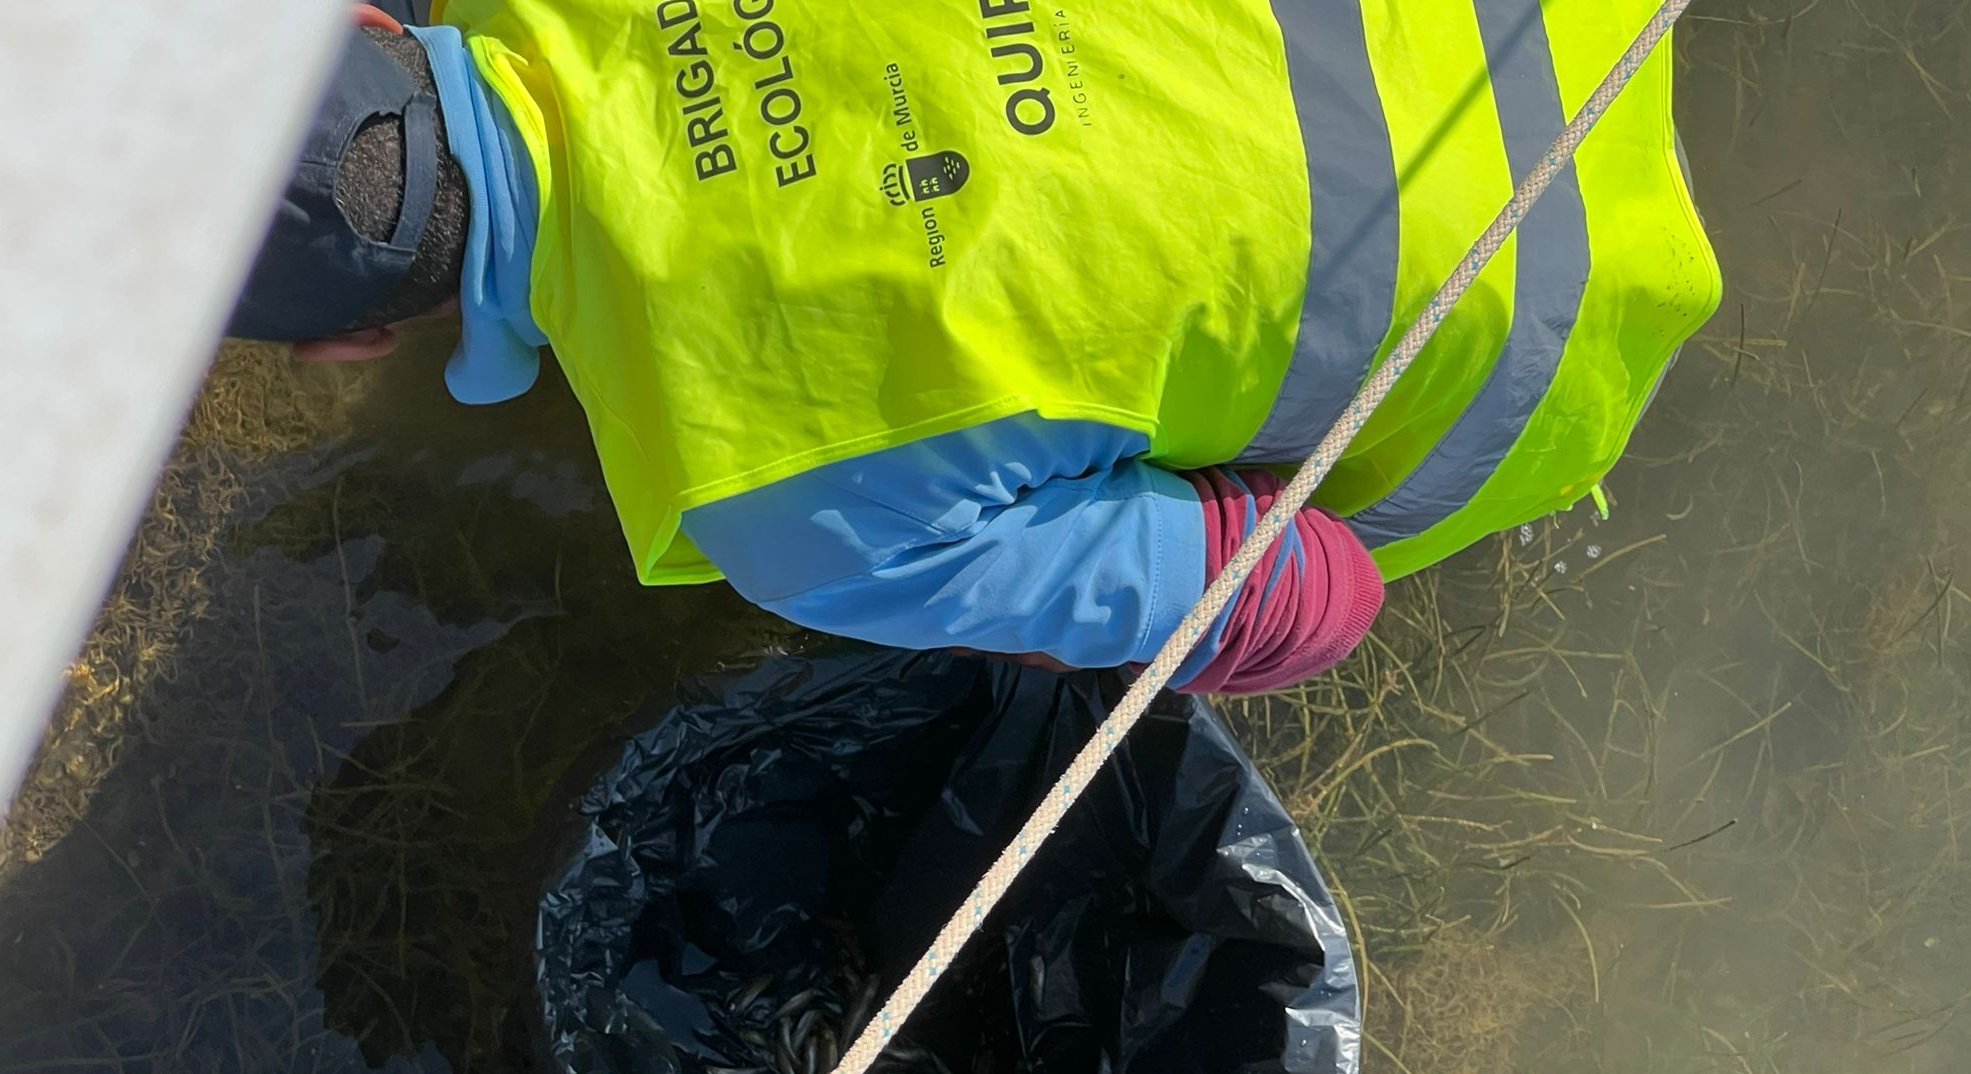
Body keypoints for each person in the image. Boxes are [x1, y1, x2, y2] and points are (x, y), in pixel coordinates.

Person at [231, 0, 1720, 694]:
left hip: (1577, 314)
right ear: (368, 17)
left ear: (351, 347)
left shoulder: (785, 513)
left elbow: (1314, 597)